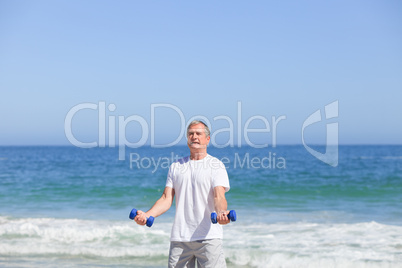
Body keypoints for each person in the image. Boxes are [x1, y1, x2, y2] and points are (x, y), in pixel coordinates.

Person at [134, 120, 232, 267]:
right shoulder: (176, 167)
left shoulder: (216, 166)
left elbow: (219, 196)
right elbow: (166, 199)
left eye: (198, 134)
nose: (194, 137)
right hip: (180, 238)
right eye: (190, 134)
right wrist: (148, 215)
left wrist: (222, 213)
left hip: (209, 237)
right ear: (187, 139)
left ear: (207, 139)